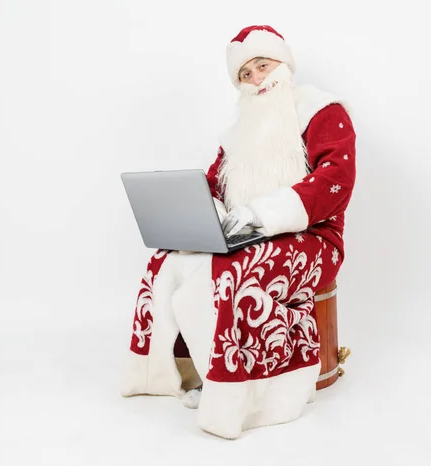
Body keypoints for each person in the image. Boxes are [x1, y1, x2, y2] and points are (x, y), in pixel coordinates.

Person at [121, 25, 357, 439]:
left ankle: (239, 391)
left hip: (316, 239)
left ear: (283, 65)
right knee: (165, 261)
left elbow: (334, 182)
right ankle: (184, 371)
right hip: (249, 233)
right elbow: (212, 186)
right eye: (244, 74)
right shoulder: (238, 134)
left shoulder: (323, 111)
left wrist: (259, 215)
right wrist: (210, 218)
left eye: (262, 66)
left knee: (231, 271)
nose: (255, 80)